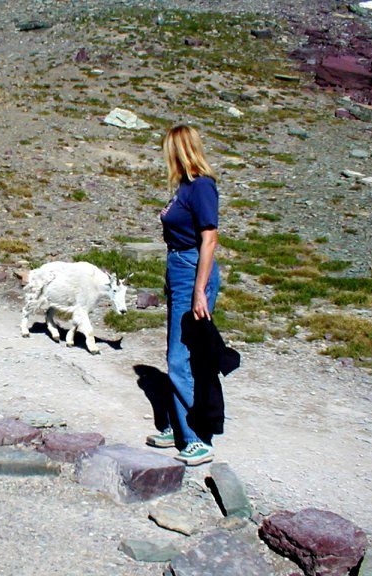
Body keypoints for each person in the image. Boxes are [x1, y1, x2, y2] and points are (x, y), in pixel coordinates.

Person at [146, 124, 221, 466]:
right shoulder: (185, 187)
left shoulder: (202, 186)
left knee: (181, 359)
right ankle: (179, 426)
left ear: (178, 150)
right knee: (177, 353)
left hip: (193, 270)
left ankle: (197, 437)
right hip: (178, 268)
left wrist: (199, 290)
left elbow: (210, 239)